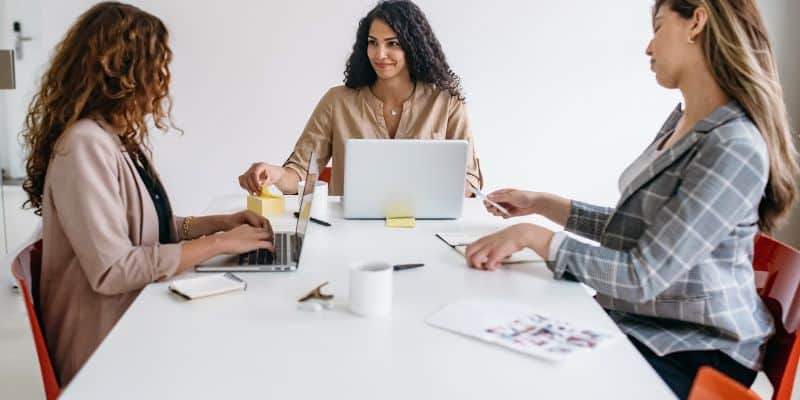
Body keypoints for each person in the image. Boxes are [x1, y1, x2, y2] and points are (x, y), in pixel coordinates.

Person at [464, 1, 798, 398]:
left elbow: (643, 275)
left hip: (696, 350)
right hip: (646, 324)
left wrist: (537, 238)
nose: (648, 47)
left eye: (658, 27)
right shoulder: (683, 123)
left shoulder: (733, 146)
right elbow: (640, 229)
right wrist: (541, 203)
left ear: (697, 21)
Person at [21, 2, 274, 385]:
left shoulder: (114, 137)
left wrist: (218, 224)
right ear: (125, 71)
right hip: (102, 344)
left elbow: (143, 229)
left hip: (130, 317)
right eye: (157, 65)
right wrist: (221, 242)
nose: (163, 78)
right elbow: (113, 269)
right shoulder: (84, 145)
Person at [238, 0, 482, 197]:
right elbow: (302, 172)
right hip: (348, 234)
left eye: (393, 43)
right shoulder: (337, 102)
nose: (380, 54)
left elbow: (470, 180)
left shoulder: (446, 103)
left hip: (427, 231)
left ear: (414, 47)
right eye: (372, 43)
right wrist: (276, 174)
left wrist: (444, 189)